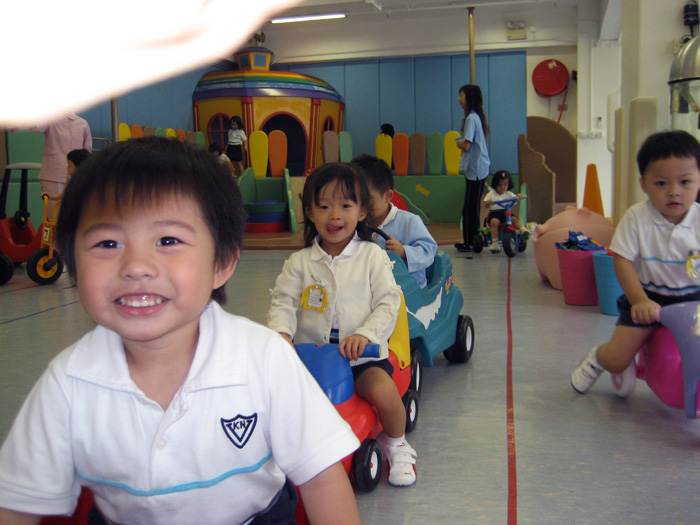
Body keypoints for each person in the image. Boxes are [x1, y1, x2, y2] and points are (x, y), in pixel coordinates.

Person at [0, 137, 361, 525]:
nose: (136, 266)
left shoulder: (264, 358)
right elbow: (18, 505)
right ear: (72, 260)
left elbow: (322, 480)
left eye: (168, 240)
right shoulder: (69, 382)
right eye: (108, 242)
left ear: (222, 263)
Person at [267, 162, 418, 487]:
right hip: (312, 360)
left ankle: (398, 444)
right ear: (310, 212)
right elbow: (283, 303)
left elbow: (388, 303)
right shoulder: (300, 262)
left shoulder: (372, 257)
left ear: (362, 212)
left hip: (361, 359)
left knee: (383, 390)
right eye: (323, 207)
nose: (334, 215)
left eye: (345, 206)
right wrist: (282, 333)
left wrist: (365, 335)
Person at [571, 130, 700, 397]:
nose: (674, 192)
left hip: (693, 301)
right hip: (648, 297)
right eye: (661, 183)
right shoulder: (637, 218)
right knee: (618, 358)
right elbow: (622, 261)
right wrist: (639, 300)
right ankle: (599, 357)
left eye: (685, 182)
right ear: (644, 184)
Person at [353, 154, 437, 288]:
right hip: (369, 286)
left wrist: (404, 252)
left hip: (408, 288)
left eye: (367, 200)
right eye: (354, 200)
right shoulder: (353, 222)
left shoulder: (409, 222)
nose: (361, 207)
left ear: (387, 196)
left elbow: (429, 251)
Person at [454, 84, 490, 253]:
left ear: (469, 98)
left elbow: (467, 145)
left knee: (470, 208)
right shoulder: (476, 117)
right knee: (472, 207)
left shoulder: (471, 119)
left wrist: (458, 143)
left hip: (475, 170)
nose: (459, 99)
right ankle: (474, 240)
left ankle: (471, 242)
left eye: (461, 96)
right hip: (477, 169)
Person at [482, 170, 529, 253]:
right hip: (495, 214)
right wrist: (488, 203)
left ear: (509, 184)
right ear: (495, 184)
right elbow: (486, 204)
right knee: (494, 222)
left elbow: (515, 198)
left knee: (514, 219)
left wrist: (518, 197)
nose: (502, 187)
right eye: (500, 185)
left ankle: (523, 230)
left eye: (505, 185)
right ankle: (495, 243)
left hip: (506, 212)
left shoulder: (508, 194)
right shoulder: (491, 194)